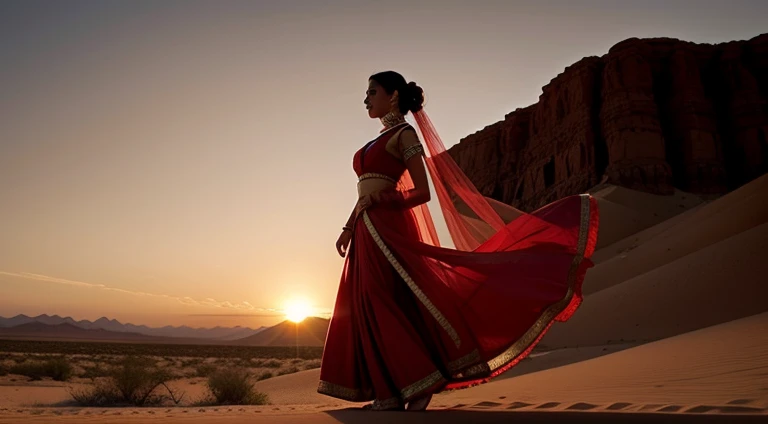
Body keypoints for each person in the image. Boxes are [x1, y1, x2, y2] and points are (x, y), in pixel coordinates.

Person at [317, 71, 599, 411]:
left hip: (389, 226)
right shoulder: (376, 141)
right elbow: (364, 192)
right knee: (366, 303)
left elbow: (421, 192)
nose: (366, 99)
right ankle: (389, 392)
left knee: (388, 299)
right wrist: (349, 227)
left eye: (372, 92)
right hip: (366, 229)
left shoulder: (404, 135)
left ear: (392, 96)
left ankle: (419, 384)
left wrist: (382, 202)